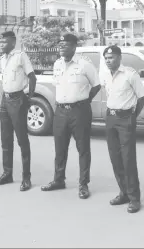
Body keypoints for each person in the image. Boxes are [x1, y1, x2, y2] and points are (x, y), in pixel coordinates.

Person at [40, 34, 101, 199]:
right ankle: (58, 180)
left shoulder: (84, 64)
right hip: (60, 111)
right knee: (60, 148)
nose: (61, 47)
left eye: (65, 45)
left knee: (83, 149)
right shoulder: (57, 64)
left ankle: (83, 184)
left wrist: (85, 100)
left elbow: (96, 85)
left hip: (79, 111)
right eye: (60, 44)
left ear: (74, 47)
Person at [102, 45, 144, 213]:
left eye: (111, 57)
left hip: (125, 118)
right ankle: (124, 193)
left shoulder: (130, 74)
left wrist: (132, 116)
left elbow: (142, 97)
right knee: (115, 158)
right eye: (106, 58)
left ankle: (134, 198)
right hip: (111, 118)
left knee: (128, 159)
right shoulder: (105, 75)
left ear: (119, 58)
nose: (108, 60)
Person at [0, 31, 36, 191]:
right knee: (5, 138)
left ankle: (26, 177)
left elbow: (32, 77)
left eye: (4, 42)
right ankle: (7, 173)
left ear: (12, 42)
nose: (1, 45)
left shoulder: (20, 56)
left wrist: (28, 98)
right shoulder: (2, 58)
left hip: (18, 99)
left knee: (22, 140)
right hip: (6, 99)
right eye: (1, 42)